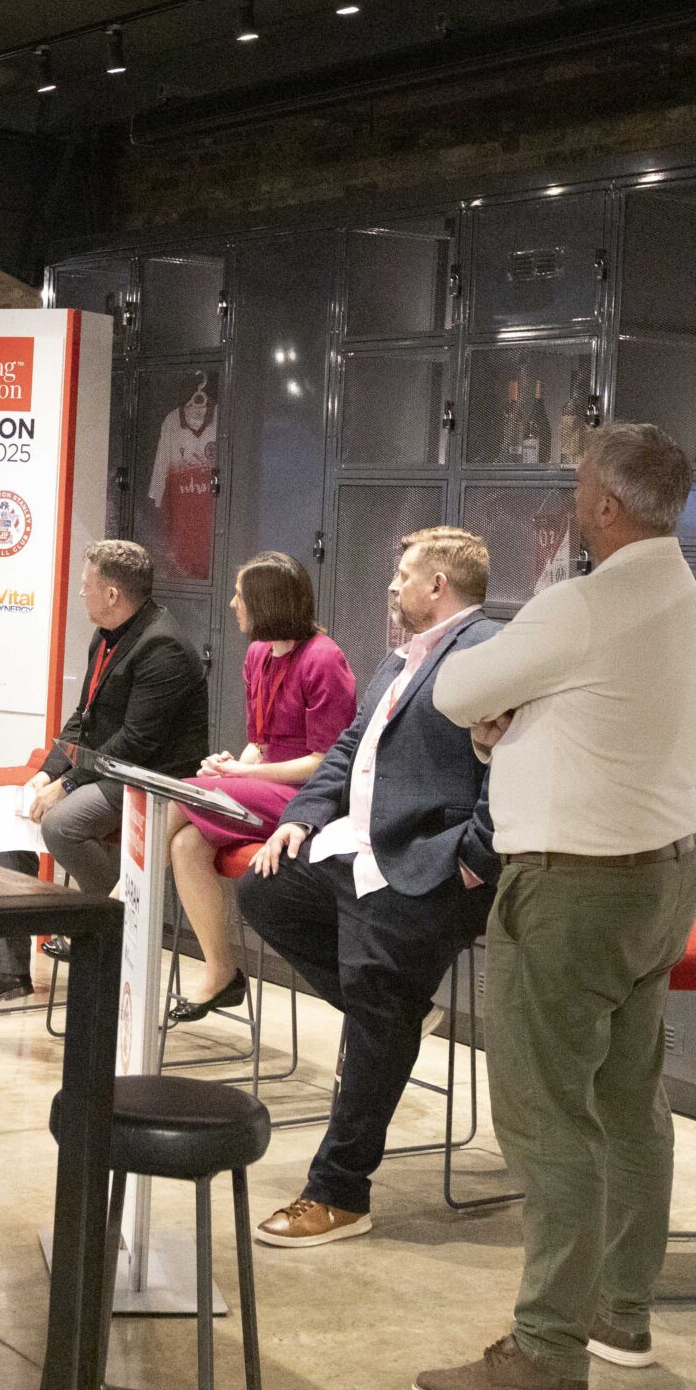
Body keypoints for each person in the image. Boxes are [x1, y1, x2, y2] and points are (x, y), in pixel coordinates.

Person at [414, 423, 696, 1390]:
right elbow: (581, 718)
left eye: (581, 485)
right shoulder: (683, 596)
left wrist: (500, 720)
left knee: (545, 1116)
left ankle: (547, 1351)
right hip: (657, 877)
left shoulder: (581, 605)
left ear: (607, 508)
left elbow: (455, 688)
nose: (572, 497)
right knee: (630, 1102)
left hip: (572, 887)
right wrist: (514, 727)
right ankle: (620, 1315)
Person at [235, 526, 500, 1247]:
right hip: (358, 849)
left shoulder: (487, 651)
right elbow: (352, 745)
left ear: (438, 585)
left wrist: (473, 859)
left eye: (403, 574)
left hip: (427, 863)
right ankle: (398, 1014)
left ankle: (339, 1192)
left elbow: (513, 759)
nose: (392, 586)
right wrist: (301, 817)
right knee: (265, 892)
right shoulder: (401, 657)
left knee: (377, 989)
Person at [0, 538, 208, 1017]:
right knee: (16, 811)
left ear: (113, 594)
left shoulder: (162, 646)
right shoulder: (105, 635)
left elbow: (136, 744)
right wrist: (44, 774)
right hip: (111, 770)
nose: (80, 592)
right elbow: (81, 721)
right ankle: (6, 970)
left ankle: (110, 917)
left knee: (61, 823)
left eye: (86, 585)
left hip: (154, 780)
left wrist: (67, 785)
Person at [163, 552, 356, 1023]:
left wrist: (241, 776)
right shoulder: (257, 655)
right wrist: (231, 766)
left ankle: (117, 900)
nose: (233, 604)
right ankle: (221, 973)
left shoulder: (323, 658)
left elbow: (326, 762)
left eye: (240, 595)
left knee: (183, 793)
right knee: (186, 845)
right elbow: (259, 744)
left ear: (266, 602)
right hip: (267, 785)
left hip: (309, 799)